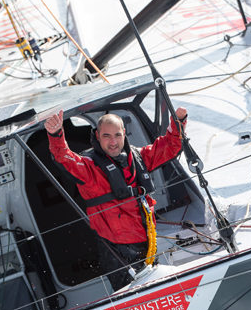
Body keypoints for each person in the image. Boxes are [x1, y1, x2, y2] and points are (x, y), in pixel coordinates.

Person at [44, 107, 187, 290]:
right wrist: (56, 135)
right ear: (97, 136)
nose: (113, 142)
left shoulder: (138, 157)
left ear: (124, 134)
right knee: (135, 303)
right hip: (118, 254)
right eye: (106, 136)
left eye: (117, 135)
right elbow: (64, 158)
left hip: (147, 244)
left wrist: (178, 123)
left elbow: (169, 146)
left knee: (161, 291)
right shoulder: (89, 169)